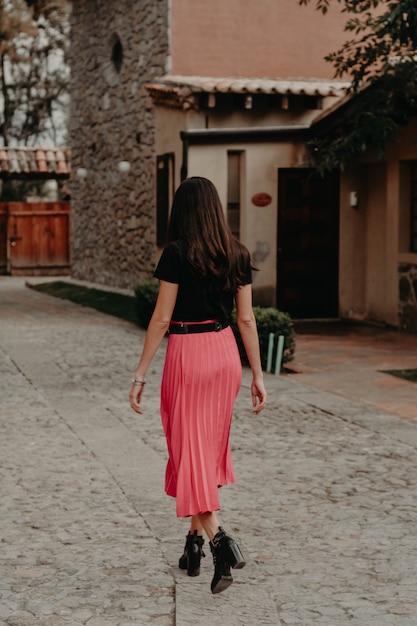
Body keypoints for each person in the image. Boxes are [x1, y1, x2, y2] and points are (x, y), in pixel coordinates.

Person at [129, 176, 266, 594]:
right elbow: (246, 319)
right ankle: (192, 546)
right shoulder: (237, 253)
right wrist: (257, 374)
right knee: (202, 452)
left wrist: (139, 374)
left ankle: (220, 542)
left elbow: (161, 318)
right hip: (225, 354)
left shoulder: (176, 253)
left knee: (189, 453)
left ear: (181, 211)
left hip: (188, 353)